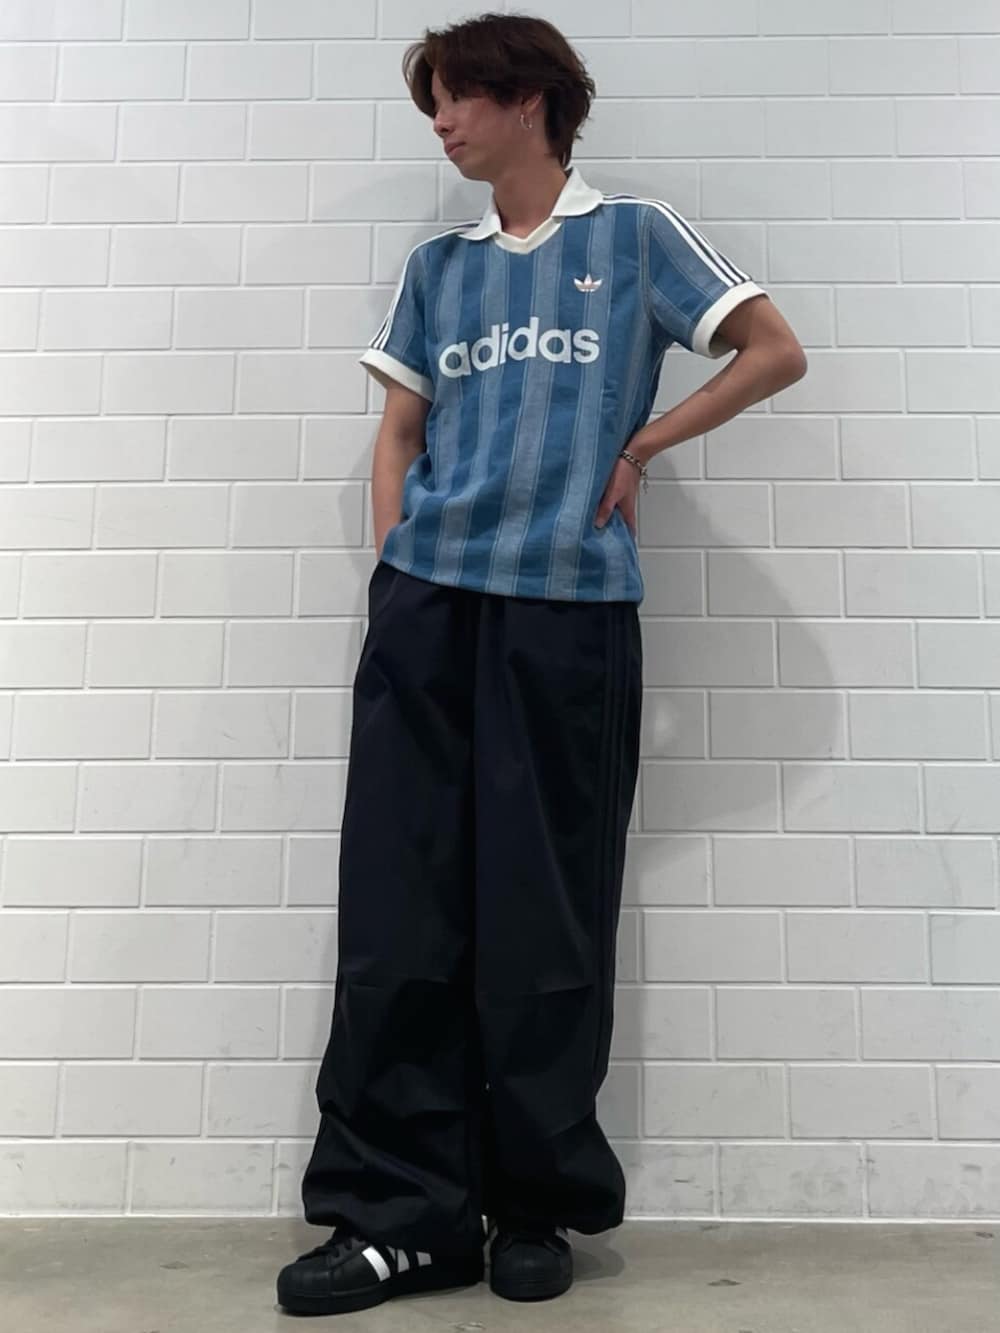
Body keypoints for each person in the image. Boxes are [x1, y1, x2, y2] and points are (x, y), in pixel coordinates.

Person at [276, 10, 807, 1319]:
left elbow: (773, 349)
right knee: (400, 909)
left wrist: (642, 447)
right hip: (430, 613)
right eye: (434, 103)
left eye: (458, 97)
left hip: (568, 619)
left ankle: (533, 1203)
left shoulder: (634, 237)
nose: (442, 123)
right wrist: (398, 565)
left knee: (545, 913)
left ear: (529, 100)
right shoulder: (437, 268)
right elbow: (401, 428)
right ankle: (401, 1218)